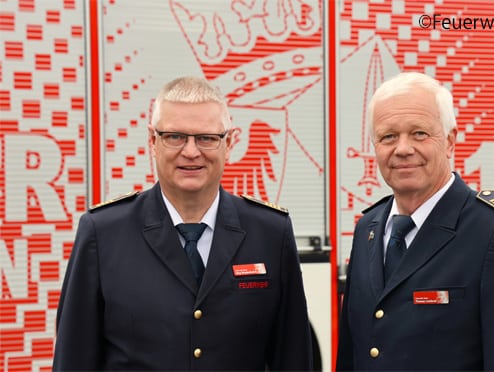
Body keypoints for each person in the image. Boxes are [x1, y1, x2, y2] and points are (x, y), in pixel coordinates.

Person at [53, 76, 312, 371]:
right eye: (175, 136)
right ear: (153, 141)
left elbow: (293, 357)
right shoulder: (103, 232)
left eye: (206, 138)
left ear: (230, 143)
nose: (191, 152)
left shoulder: (270, 232)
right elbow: (73, 358)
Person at [336, 72, 494, 371]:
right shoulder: (369, 229)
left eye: (419, 133)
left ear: (450, 141)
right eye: (388, 136)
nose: (402, 148)